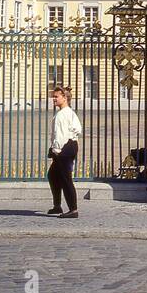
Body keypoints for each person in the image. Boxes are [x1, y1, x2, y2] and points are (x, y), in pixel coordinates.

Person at [47, 85, 82, 218]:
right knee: (52, 175)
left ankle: (73, 209)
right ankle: (57, 206)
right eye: (53, 97)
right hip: (71, 146)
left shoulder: (61, 115)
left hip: (63, 148)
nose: (53, 99)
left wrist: (56, 150)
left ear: (65, 98)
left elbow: (59, 135)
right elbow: (78, 129)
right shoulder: (70, 112)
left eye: (56, 97)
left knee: (66, 179)